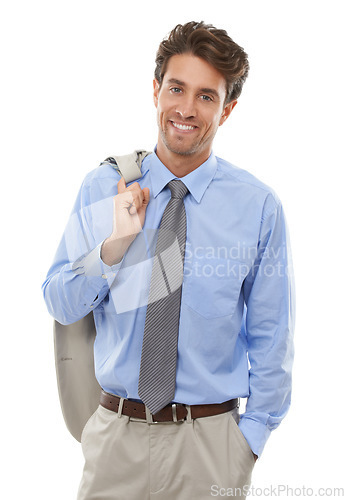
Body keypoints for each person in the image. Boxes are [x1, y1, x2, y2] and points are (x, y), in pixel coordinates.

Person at [42, 21, 295, 500]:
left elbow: (272, 334)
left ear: (229, 108)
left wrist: (248, 442)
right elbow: (60, 302)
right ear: (156, 90)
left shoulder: (258, 206)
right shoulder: (104, 188)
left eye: (206, 96)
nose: (186, 108)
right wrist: (114, 248)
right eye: (176, 88)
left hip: (211, 446)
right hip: (116, 440)